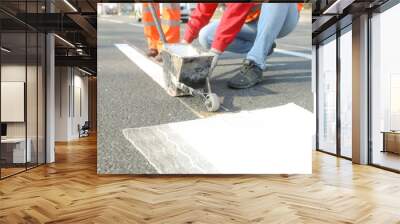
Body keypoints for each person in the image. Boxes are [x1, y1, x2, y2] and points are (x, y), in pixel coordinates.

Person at [183, 3, 303, 89]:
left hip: (283, 15)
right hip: (252, 22)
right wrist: (184, 43)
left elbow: (236, 9)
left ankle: (256, 63)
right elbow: (203, 10)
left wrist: (216, 51)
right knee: (206, 36)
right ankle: (263, 48)